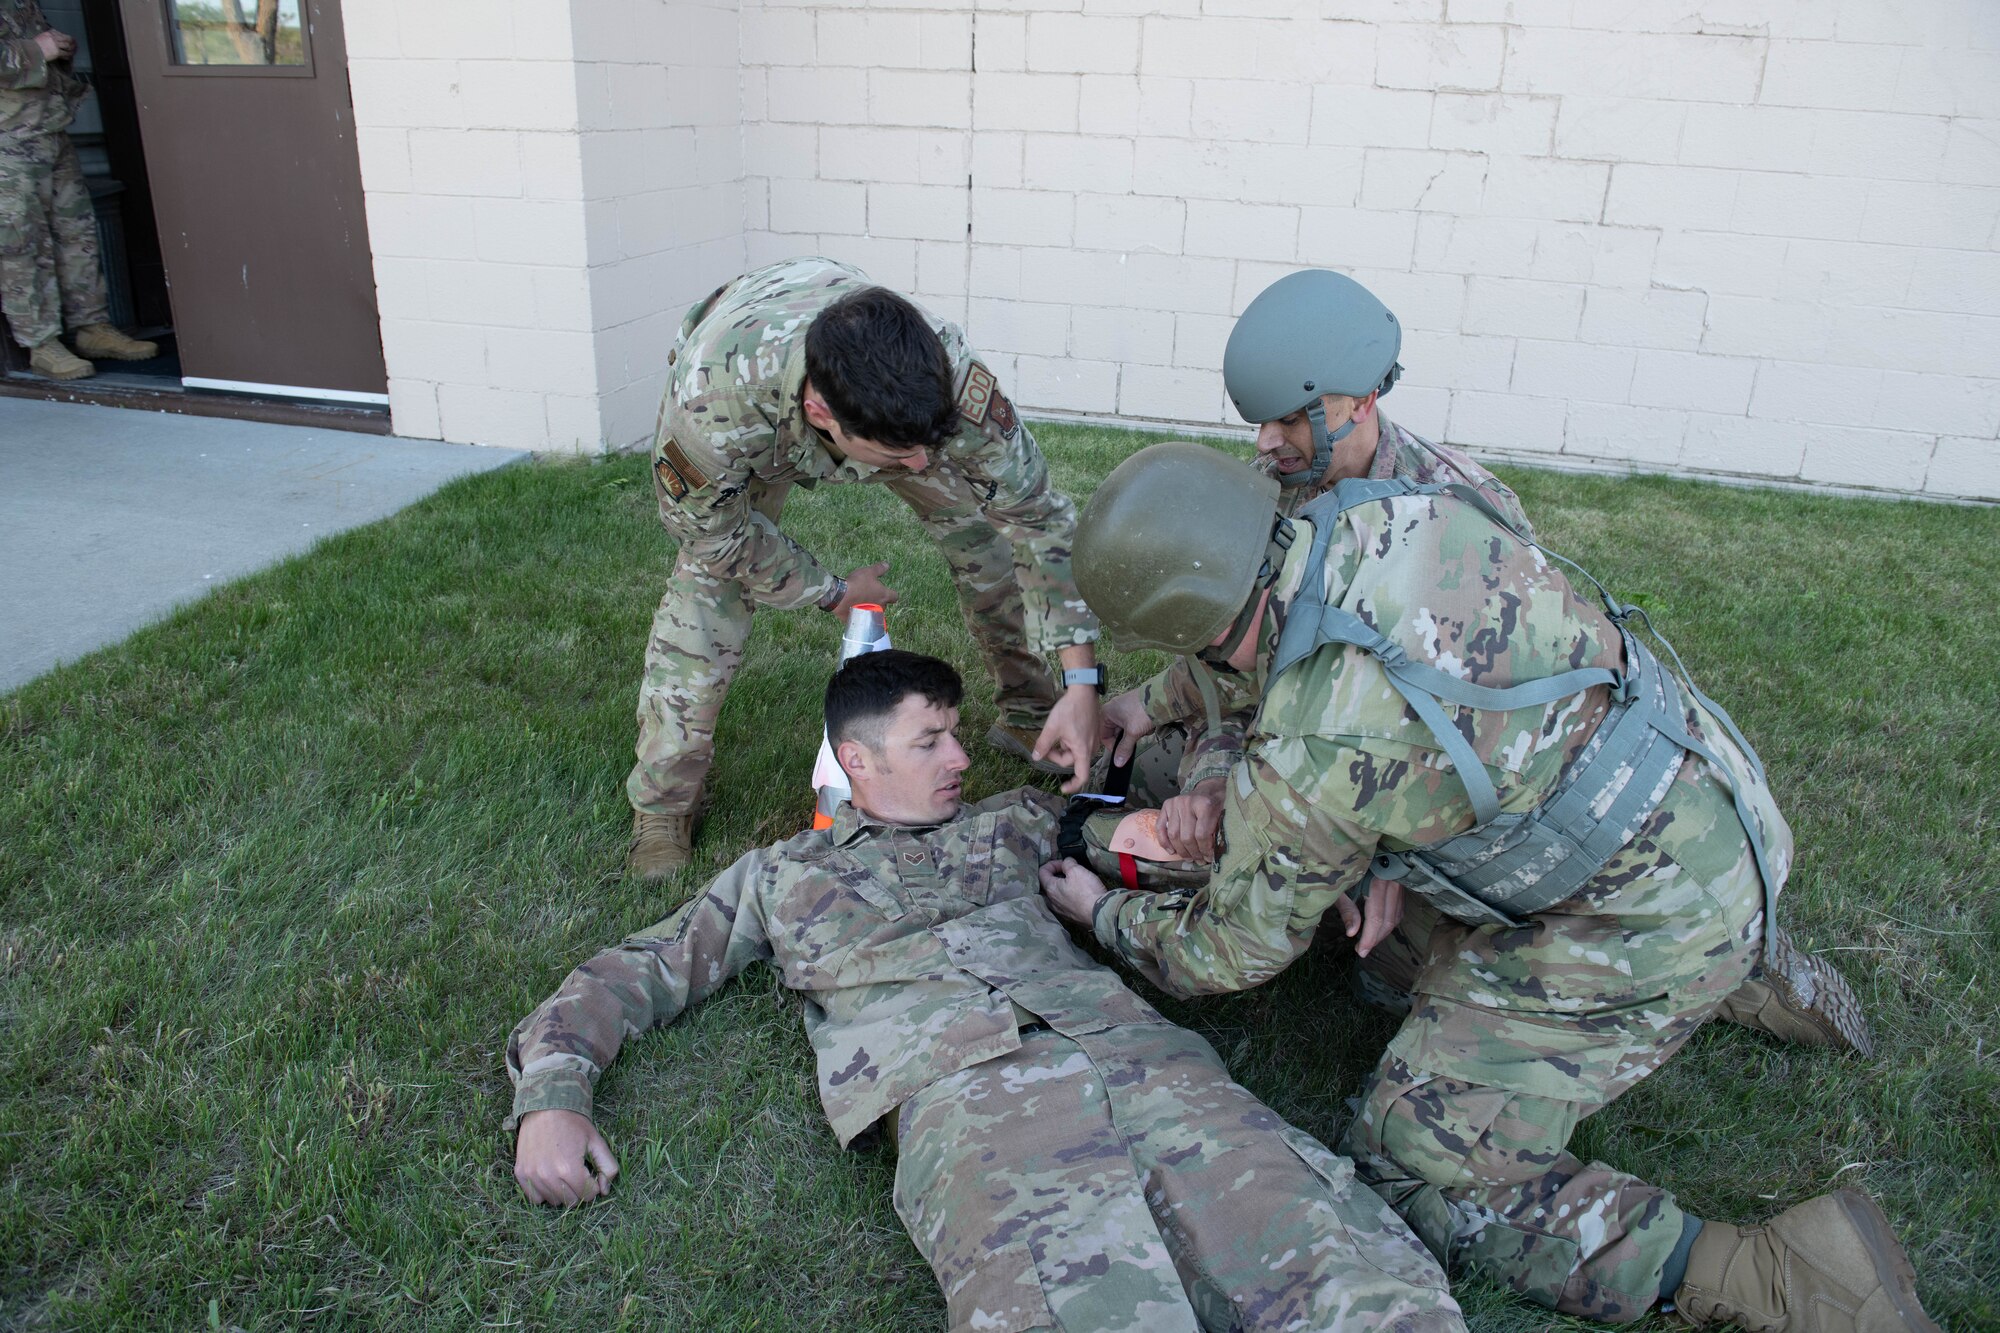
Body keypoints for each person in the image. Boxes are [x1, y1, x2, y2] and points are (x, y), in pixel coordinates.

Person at [1046, 442, 1936, 1330]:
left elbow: (1228, 949)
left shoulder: (1316, 753)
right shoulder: (1386, 514)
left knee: (1416, 1159)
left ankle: (1779, 1278)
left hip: (1632, 920)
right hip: (1708, 803)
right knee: (1385, 957)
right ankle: (1739, 966)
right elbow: (1271, 634)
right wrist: (1158, 702)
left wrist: (1106, 910)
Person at [509, 649, 1465, 1333]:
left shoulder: (1021, 822)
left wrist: (1251, 826)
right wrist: (553, 1096)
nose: (963, 757)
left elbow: (1183, 829)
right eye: (932, 741)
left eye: (957, 735)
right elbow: (638, 969)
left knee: (1335, 1270)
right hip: (975, 1107)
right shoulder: (782, 876)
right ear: (859, 761)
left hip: (1141, 1058)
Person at [1099, 269, 1867, 1056]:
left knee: (1392, 972)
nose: (1267, 442)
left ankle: (1731, 968)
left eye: (1293, 419)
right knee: (1186, 767)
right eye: (1262, 422)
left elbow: (1490, 715)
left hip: (1477, 775)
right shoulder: (1283, 490)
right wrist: (1165, 720)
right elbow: (1248, 654)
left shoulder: (1459, 505)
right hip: (1365, 753)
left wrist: (1386, 856)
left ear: (1362, 401)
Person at [625, 257, 1103, 879]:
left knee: (987, 536)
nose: (921, 465)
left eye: (930, 446)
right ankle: (664, 803)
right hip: (756, 396)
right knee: (708, 592)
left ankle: (1034, 709)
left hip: (862, 387)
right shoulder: (716, 403)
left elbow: (1038, 520)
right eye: (899, 455)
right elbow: (709, 531)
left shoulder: (947, 375)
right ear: (822, 413)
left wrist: (1082, 682)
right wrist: (830, 592)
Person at [0, 0, 156, 380]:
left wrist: (59, 47)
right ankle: (41, 343)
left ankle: (92, 327)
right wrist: (39, 49)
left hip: (49, 130)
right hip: (8, 141)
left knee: (77, 234)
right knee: (21, 243)